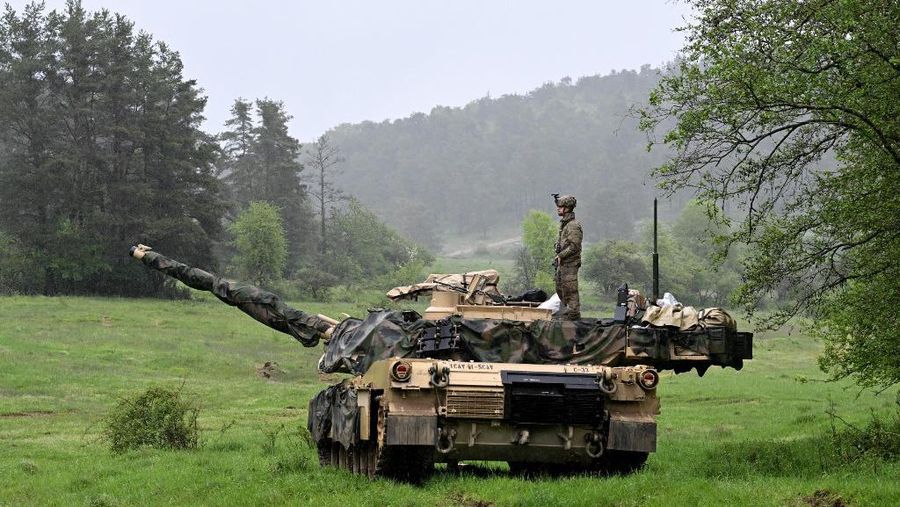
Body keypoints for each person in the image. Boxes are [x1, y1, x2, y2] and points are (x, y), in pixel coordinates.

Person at [553, 194, 582, 320]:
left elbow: (574, 246)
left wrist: (561, 255)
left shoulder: (573, 225)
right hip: (563, 263)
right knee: (560, 287)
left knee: (570, 289)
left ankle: (573, 314)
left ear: (567, 208)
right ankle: (568, 311)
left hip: (570, 263)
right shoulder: (565, 224)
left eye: (560, 207)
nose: (558, 209)